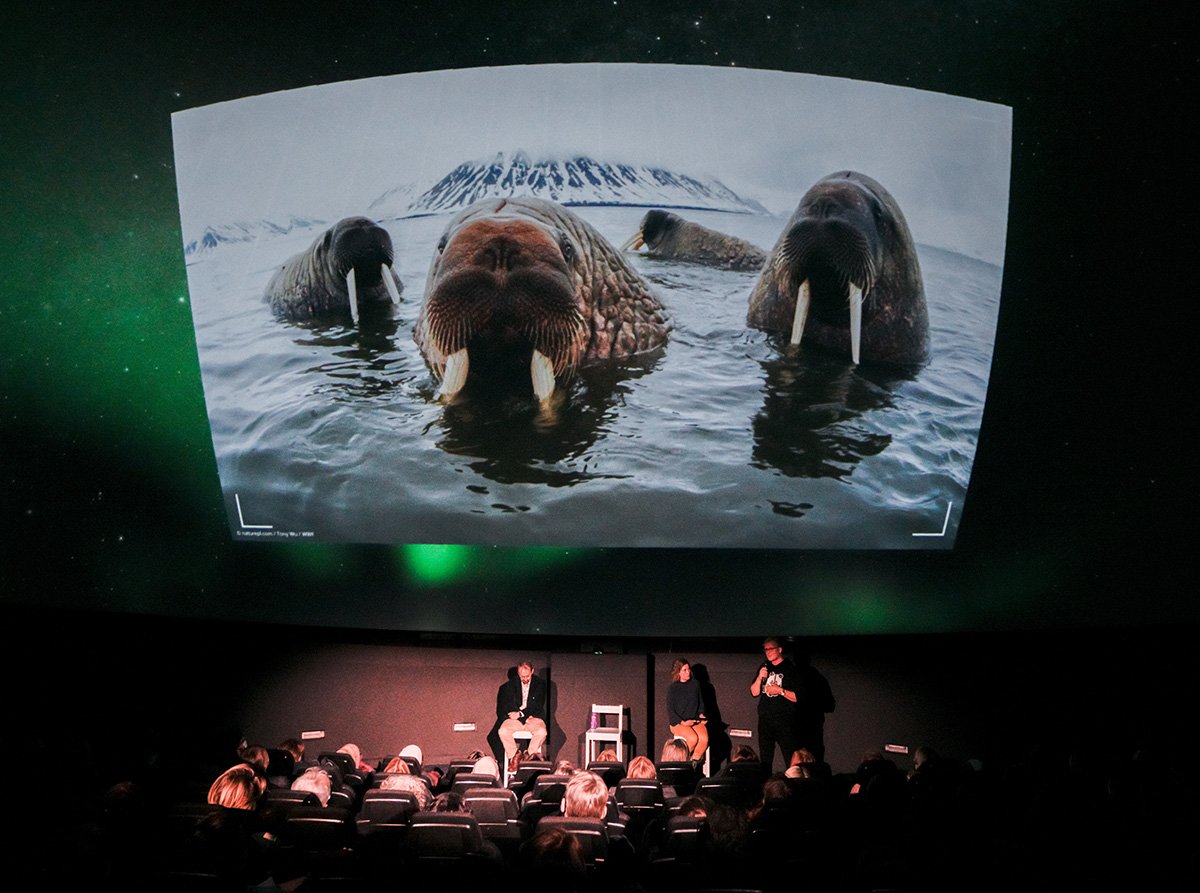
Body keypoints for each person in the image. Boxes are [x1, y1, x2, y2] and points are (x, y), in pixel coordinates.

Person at [750, 637, 802, 771]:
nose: (767, 652)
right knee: (765, 758)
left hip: (784, 720)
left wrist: (780, 691)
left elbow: (798, 697)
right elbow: (754, 692)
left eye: (770, 649)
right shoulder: (764, 667)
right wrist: (760, 677)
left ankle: (793, 784)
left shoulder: (790, 669)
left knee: (789, 756)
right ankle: (766, 787)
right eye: (765, 649)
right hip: (766, 720)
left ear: (779, 650)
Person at [493, 661, 549, 762]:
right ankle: (514, 756)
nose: (524, 679)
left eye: (527, 676)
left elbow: (537, 705)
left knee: (542, 732)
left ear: (532, 671)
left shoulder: (540, 684)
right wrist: (514, 715)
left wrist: (520, 714)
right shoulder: (509, 686)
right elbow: (506, 706)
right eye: (521, 676)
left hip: (533, 718)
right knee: (503, 731)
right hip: (515, 720)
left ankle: (529, 755)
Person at [667, 657, 709, 764]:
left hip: (694, 720)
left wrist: (701, 715)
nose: (688, 672)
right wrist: (683, 722)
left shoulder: (695, 684)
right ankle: (681, 762)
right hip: (678, 723)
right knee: (692, 738)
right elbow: (671, 710)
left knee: (704, 738)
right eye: (684, 670)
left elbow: (701, 703)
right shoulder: (673, 688)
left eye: (688, 669)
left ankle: (693, 763)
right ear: (678, 672)